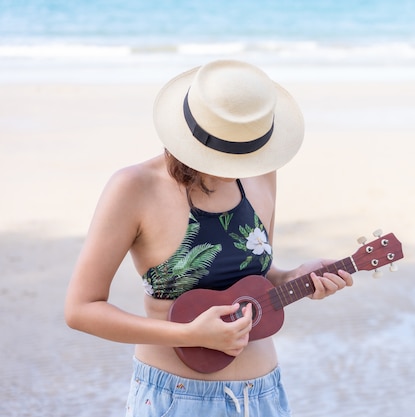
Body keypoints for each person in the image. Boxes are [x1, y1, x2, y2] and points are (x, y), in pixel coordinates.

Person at [64, 59, 353, 417]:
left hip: (263, 395)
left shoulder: (260, 171)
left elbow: (253, 277)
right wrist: (191, 336)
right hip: (177, 398)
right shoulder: (134, 187)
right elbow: (81, 310)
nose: (239, 168)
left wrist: (293, 277)